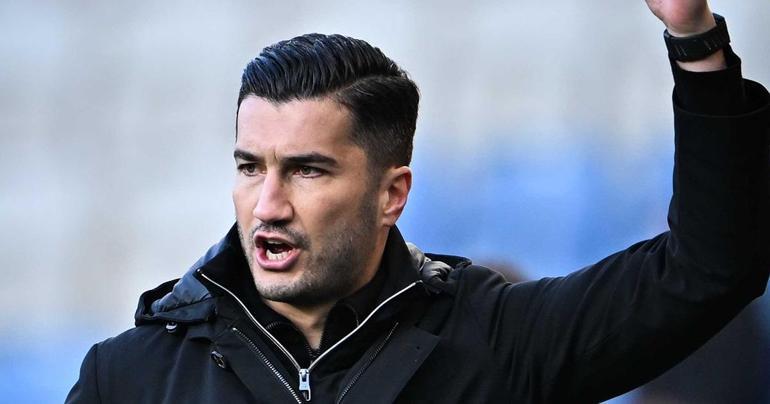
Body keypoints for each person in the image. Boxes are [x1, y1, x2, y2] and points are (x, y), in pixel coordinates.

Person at [66, 1, 770, 402]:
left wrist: (696, 43)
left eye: (307, 171)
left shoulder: (494, 343)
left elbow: (709, 270)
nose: (268, 204)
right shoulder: (129, 377)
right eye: (251, 167)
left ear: (391, 194)